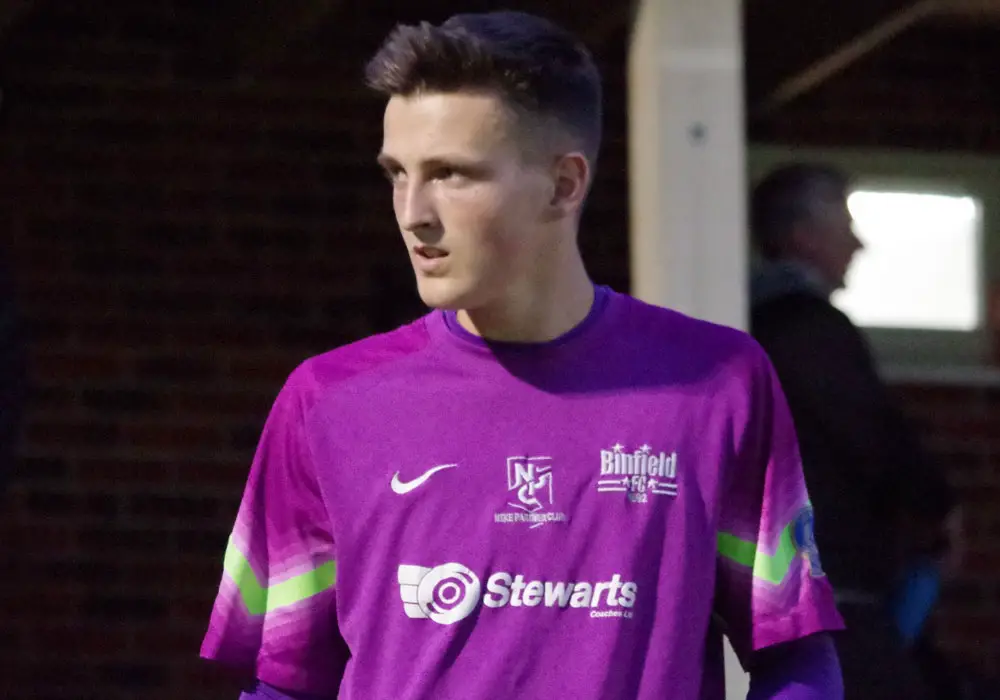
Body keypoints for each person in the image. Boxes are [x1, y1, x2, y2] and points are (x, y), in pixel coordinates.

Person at [201, 13, 845, 699]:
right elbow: (285, 684)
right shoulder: (325, 401)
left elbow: (793, 654)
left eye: (451, 174)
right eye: (398, 174)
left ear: (565, 185)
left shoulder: (720, 384)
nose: (414, 211)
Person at [748, 163, 960, 700]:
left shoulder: (748, 321)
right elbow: (872, 433)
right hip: (829, 576)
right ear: (802, 235)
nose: (858, 243)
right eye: (843, 222)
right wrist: (936, 507)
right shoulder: (806, 329)